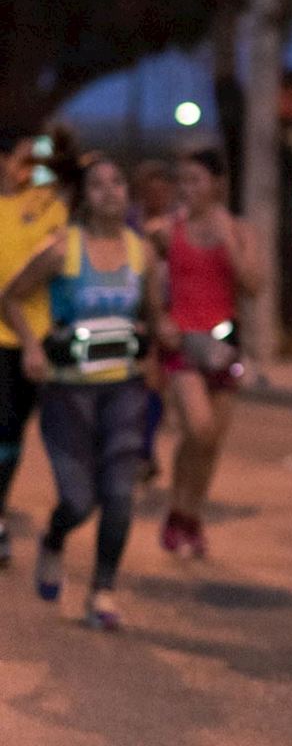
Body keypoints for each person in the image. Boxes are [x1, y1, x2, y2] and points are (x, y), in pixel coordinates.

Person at [0, 155, 163, 629]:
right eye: (98, 185)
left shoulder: (143, 253)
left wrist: (159, 335)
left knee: (119, 494)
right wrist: (31, 346)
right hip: (69, 396)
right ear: (85, 199)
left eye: (117, 182)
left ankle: (103, 592)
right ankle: (53, 540)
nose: (110, 191)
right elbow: (10, 294)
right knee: (78, 499)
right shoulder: (61, 250)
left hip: (123, 392)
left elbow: (153, 313)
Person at [150, 148, 264, 558]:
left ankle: (190, 518)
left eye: (196, 180)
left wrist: (228, 239)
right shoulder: (167, 229)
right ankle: (176, 508)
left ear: (217, 184)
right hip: (182, 343)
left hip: (223, 345)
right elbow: (146, 278)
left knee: (212, 441)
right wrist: (159, 319)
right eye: (184, 181)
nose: (188, 189)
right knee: (197, 428)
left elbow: (253, 286)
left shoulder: (240, 231)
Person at [0, 132, 69, 568]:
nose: (21, 165)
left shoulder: (48, 205)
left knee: (15, 434)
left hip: (37, 337)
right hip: (0, 339)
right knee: (3, 428)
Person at [129, 159, 177, 485]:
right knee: (138, 384)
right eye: (151, 189)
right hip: (134, 312)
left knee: (157, 384)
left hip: (168, 312)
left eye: (163, 189)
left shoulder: (178, 224)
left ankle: (145, 451)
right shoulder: (129, 222)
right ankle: (136, 449)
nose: (157, 195)